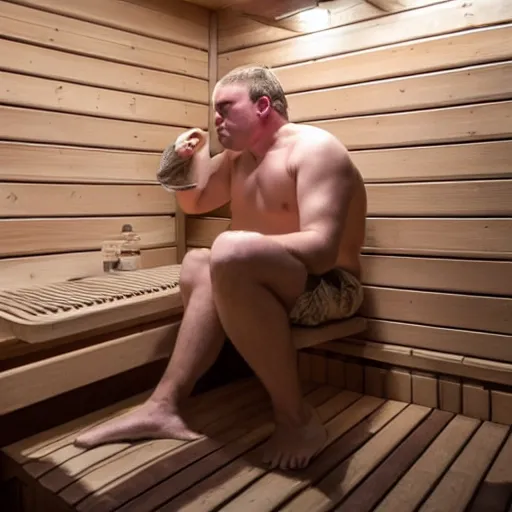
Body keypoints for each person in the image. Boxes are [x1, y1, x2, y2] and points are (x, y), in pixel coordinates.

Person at [74, 65, 367, 470]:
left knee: (226, 248)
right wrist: (192, 156)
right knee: (197, 261)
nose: (216, 119)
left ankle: (297, 420)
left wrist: (240, 249)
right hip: (268, 281)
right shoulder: (236, 159)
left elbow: (320, 250)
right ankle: (164, 405)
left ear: (263, 106)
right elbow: (193, 202)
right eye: (215, 111)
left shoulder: (316, 149)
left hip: (331, 288)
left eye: (226, 108)